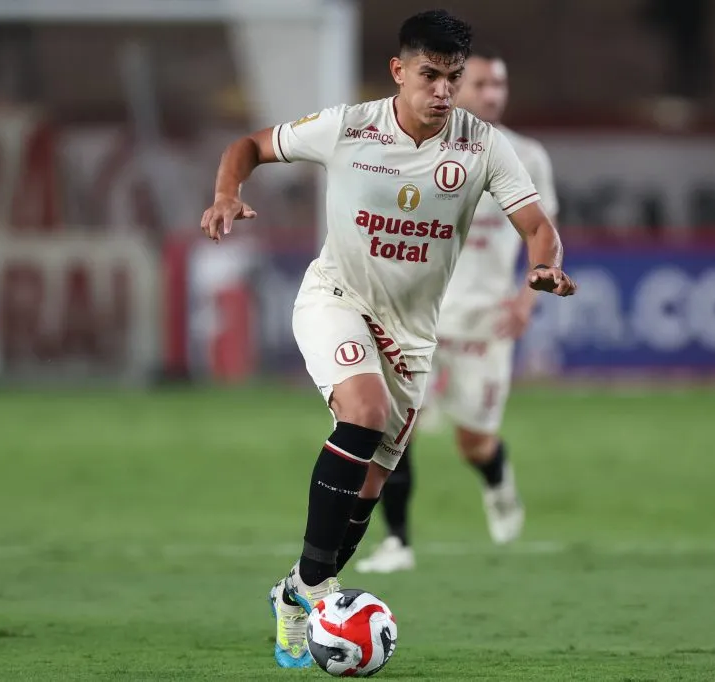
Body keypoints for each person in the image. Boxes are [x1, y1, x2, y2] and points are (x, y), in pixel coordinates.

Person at [200, 9, 576, 669]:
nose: (442, 91)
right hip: (336, 299)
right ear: (399, 71)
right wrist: (228, 193)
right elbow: (250, 146)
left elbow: (536, 225)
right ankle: (320, 591)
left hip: (412, 334)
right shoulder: (349, 127)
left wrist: (543, 264)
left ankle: (294, 592)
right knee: (364, 414)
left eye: (452, 78)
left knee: (368, 491)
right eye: (429, 75)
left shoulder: (482, 146)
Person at [355, 48, 559, 574]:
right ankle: (398, 542)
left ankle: (497, 480)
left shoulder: (527, 156)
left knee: (474, 442)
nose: (492, 95)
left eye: (500, 85)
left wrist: (525, 302)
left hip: (483, 321)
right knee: (394, 434)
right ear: (456, 89)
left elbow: (544, 236)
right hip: (414, 316)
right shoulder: (412, 148)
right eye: (482, 85)